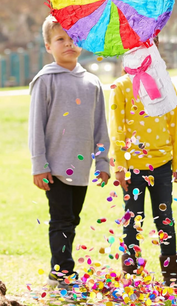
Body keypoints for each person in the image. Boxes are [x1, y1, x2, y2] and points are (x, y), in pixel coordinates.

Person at [29, 15, 110, 288]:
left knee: (72, 220)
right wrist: (39, 165)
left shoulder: (92, 82)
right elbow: (35, 127)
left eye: (74, 37)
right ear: (48, 46)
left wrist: (102, 162)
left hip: (82, 169)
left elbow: (101, 127)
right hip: (55, 167)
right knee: (62, 220)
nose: (68, 43)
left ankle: (62, 268)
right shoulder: (46, 80)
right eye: (60, 39)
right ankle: (62, 271)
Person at [108, 38, 177, 291]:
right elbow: (117, 129)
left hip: (163, 166)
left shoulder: (166, 85)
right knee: (133, 220)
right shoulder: (120, 87)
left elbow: (175, 124)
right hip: (132, 169)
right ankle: (131, 274)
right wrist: (120, 166)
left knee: (165, 220)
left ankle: (171, 273)